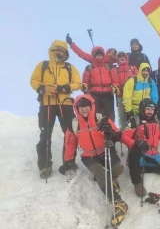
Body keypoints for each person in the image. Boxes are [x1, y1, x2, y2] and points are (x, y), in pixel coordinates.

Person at [61, 95, 128, 225]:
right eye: (81, 107)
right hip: (89, 156)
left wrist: (110, 132)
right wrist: (69, 161)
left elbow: (117, 134)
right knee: (98, 172)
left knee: (118, 169)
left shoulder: (101, 119)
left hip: (105, 151)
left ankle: (112, 178)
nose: (84, 109)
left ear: (91, 106)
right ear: (76, 108)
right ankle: (118, 201)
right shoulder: (74, 124)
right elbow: (70, 143)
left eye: (86, 106)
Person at [30, 39, 82, 178]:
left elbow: (77, 83)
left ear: (66, 53)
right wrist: (42, 88)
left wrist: (64, 88)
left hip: (65, 103)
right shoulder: (43, 66)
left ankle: (68, 161)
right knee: (45, 135)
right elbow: (34, 80)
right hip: (47, 103)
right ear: (51, 51)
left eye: (62, 50)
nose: (59, 52)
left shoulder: (70, 68)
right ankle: (44, 165)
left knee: (70, 134)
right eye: (56, 49)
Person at [121, 98, 160, 197]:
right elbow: (123, 136)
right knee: (134, 151)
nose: (150, 112)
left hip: (153, 154)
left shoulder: (156, 121)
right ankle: (137, 182)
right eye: (147, 109)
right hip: (139, 154)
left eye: (152, 109)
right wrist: (136, 142)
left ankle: (143, 169)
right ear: (142, 109)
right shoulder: (135, 120)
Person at [82, 46, 120, 121]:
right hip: (95, 95)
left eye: (100, 55)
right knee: (96, 115)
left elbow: (115, 78)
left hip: (108, 94)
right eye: (97, 55)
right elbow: (85, 80)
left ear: (103, 56)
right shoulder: (89, 67)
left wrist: (115, 86)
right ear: (94, 56)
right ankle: (97, 131)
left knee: (109, 116)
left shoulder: (109, 66)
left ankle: (111, 130)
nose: (99, 57)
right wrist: (85, 86)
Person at [115, 51, 138, 130]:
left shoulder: (132, 67)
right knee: (121, 115)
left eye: (123, 57)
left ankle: (135, 130)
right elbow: (115, 81)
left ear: (126, 58)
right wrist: (117, 88)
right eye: (120, 57)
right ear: (117, 59)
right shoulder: (115, 69)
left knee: (133, 113)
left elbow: (138, 78)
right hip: (120, 95)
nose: (122, 58)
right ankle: (123, 132)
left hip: (132, 95)